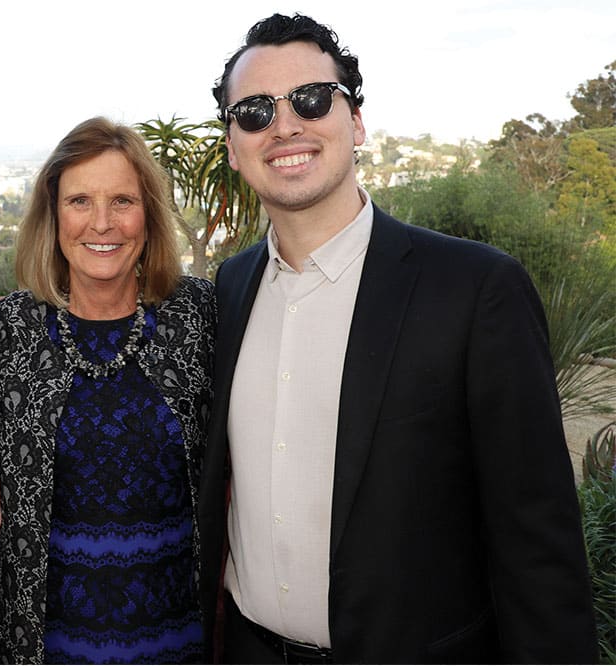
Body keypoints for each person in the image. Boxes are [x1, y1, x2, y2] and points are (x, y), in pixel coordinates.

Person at [198, 13, 599, 664]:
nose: (285, 126)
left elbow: (538, 545)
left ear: (355, 123)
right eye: (253, 112)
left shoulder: (475, 290)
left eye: (310, 99)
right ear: (233, 146)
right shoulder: (228, 290)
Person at [0, 116, 215, 663]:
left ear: (149, 215)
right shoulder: (6, 331)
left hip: (175, 638)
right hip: (42, 642)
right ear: (53, 214)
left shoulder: (198, 316)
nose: (101, 223)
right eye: (80, 201)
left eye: (122, 202)